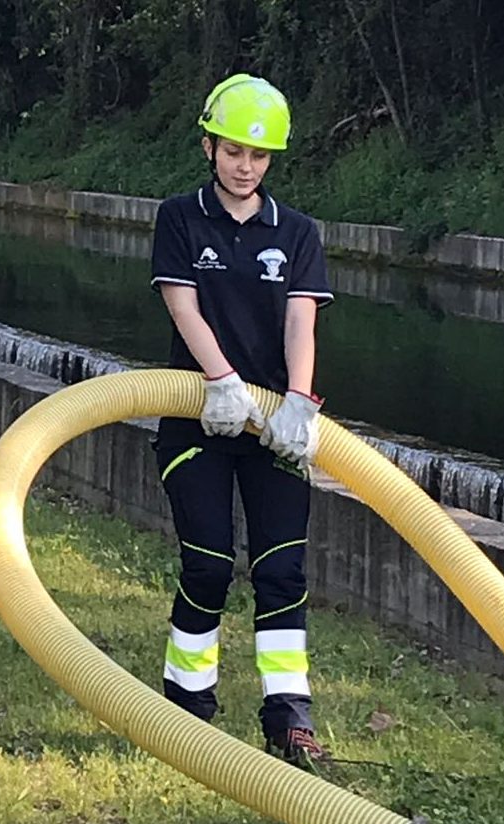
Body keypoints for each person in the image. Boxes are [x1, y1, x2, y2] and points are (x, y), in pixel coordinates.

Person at [149, 74, 334, 766]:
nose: (244, 166)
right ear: (208, 145)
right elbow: (182, 306)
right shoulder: (179, 217)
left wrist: (298, 402)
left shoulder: (298, 233)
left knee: (283, 570)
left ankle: (289, 717)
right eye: (232, 151)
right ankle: (185, 705)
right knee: (209, 562)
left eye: (258, 156)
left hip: (274, 430)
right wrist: (221, 383)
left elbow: (299, 323)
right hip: (196, 417)